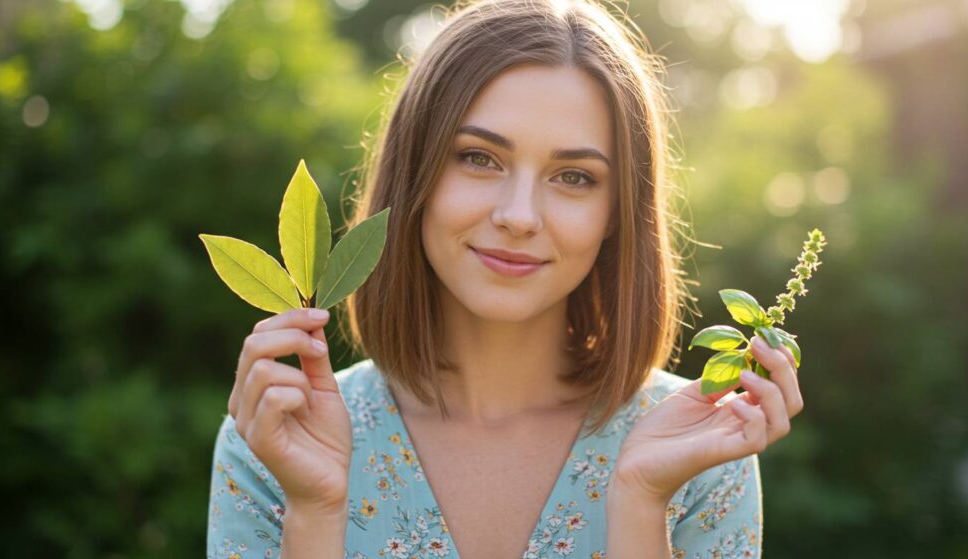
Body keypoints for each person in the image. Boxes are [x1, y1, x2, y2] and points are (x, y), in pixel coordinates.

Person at [206, 1, 804, 557]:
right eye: (478, 158)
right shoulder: (274, 441)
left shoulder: (699, 450)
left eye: (574, 177)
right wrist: (315, 511)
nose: (518, 216)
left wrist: (642, 500)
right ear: (414, 172)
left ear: (618, 213)